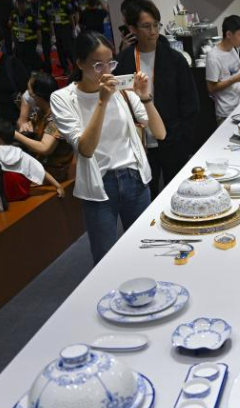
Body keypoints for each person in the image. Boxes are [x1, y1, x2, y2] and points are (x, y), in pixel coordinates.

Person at [51, 31, 166, 264]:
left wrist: (145, 97)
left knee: (144, 248)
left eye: (110, 63)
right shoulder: (62, 98)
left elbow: (160, 133)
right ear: (80, 63)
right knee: (104, 257)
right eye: (97, 65)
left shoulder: (123, 90)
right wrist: (102, 101)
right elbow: (85, 148)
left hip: (135, 178)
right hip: (99, 186)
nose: (106, 71)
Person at [114, 0, 199, 198]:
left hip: (172, 139)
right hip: (138, 142)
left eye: (156, 25)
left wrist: (183, 138)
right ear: (132, 28)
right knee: (144, 198)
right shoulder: (123, 61)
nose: (153, 31)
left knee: (177, 194)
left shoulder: (174, 59)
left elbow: (190, 103)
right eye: (146, 26)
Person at [13, 72, 74, 181]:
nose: (27, 95)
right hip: (43, 167)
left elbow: (45, 148)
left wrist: (16, 135)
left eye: (30, 92)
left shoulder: (57, 116)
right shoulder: (41, 112)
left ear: (37, 96)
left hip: (57, 171)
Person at [0, 118, 65, 198]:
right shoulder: (20, 154)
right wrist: (58, 186)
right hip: (23, 194)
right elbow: (41, 171)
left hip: (4, 197)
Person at [205, 15, 240, 125]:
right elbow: (211, 88)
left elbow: (237, 72)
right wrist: (236, 79)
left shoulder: (234, 49)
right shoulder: (213, 57)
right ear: (229, 34)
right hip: (226, 112)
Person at [9, 0, 43, 73]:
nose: (20, 5)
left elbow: (38, 31)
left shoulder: (32, 15)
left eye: (22, 3)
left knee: (31, 65)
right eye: (18, 3)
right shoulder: (14, 14)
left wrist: (39, 44)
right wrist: (13, 41)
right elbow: (13, 28)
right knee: (20, 65)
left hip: (30, 45)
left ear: (26, 4)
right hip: (19, 44)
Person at [52, 0, 78, 75]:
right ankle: (65, 68)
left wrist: (74, 29)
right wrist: (53, 34)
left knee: (68, 49)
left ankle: (75, 66)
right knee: (60, 50)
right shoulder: (52, 4)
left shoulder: (65, 3)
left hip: (66, 29)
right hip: (57, 28)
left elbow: (71, 17)